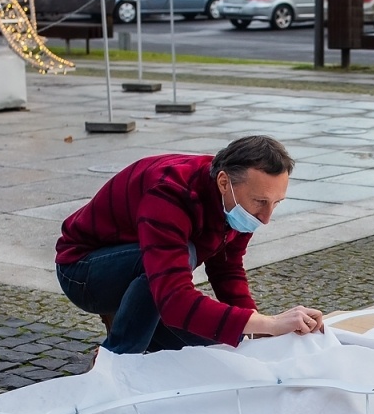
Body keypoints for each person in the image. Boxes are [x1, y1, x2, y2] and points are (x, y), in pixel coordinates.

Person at [55, 135, 325, 353]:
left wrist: (260, 331)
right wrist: (270, 322)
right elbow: (174, 298)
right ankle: (116, 359)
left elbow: (227, 271)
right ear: (223, 182)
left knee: (215, 349)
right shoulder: (169, 191)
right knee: (187, 255)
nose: (266, 218)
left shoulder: (236, 197)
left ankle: (136, 335)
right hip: (83, 272)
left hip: (149, 277)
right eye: (260, 202)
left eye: (276, 203)